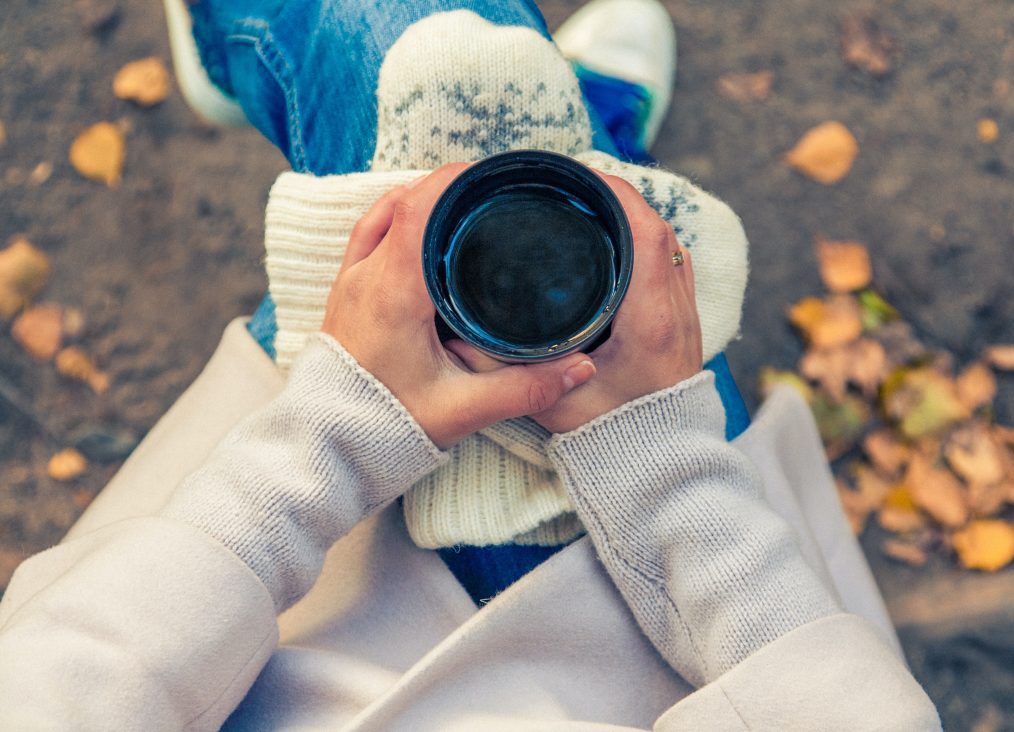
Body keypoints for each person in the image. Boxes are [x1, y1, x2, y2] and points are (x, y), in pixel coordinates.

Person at [0, 0, 940, 729]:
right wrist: (658, 467)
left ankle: (243, 54)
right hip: (710, 651)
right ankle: (604, 127)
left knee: (416, 48)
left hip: (268, 636)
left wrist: (337, 430)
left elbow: (64, 691)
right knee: (547, 172)